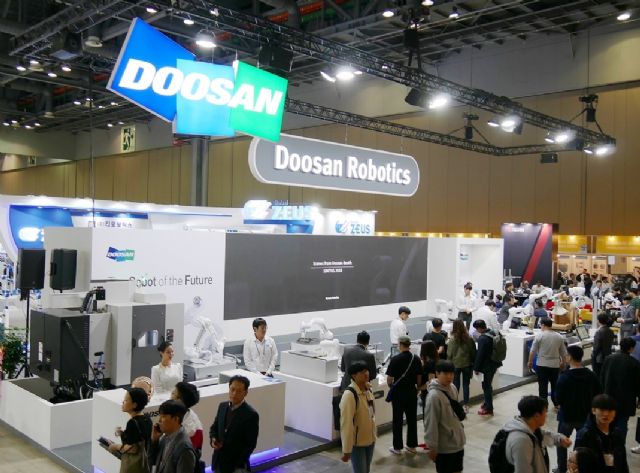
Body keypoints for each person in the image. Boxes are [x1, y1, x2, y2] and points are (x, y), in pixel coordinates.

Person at [554, 345, 602, 473]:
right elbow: (598, 394)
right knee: (582, 444)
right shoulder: (591, 375)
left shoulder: (564, 377)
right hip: (585, 416)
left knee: (561, 442)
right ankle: (578, 467)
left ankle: (562, 468)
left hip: (566, 416)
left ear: (569, 357)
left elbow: (558, 398)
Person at [503, 395, 571, 473]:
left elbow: (542, 436)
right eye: (545, 413)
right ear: (537, 416)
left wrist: (559, 439)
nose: (546, 416)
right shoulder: (522, 441)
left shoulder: (528, 428)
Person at [209, 375, 259, 473]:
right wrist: (213, 439)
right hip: (218, 462)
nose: (234, 393)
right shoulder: (222, 406)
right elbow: (214, 427)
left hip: (236, 467)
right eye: (232, 389)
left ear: (245, 393)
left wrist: (238, 463)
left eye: (239, 391)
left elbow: (250, 444)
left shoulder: (251, 414)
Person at [423, 360, 466, 473]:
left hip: (458, 443)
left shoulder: (453, 388)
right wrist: (432, 447)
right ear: (437, 373)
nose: (449, 377)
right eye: (446, 373)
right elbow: (431, 423)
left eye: (451, 373)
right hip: (445, 448)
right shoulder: (434, 397)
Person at [386, 335, 422, 455]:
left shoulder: (395, 359)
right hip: (411, 392)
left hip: (398, 393)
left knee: (397, 420)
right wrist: (417, 389)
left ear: (400, 345)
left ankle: (397, 447)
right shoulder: (416, 358)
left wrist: (391, 387)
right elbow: (419, 376)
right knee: (412, 419)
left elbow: (389, 379)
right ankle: (412, 445)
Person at [575, 394, 629, 473]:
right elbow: (578, 464)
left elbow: (623, 462)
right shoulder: (584, 435)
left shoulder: (617, 434)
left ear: (615, 413)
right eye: (602, 410)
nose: (606, 414)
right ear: (593, 410)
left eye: (610, 410)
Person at [600, 337, 640, 443]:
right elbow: (638, 384)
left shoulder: (608, 359)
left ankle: (608, 444)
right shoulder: (634, 363)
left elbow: (602, 377)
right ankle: (619, 446)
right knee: (622, 424)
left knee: (608, 422)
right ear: (631, 348)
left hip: (608, 397)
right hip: (626, 400)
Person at [339, 361, 376, 473]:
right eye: (362, 372)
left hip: (370, 440)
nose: (366, 374)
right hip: (357, 444)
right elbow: (346, 424)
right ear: (354, 375)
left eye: (367, 371)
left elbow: (372, 415)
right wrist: (346, 449)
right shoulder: (349, 395)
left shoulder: (368, 390)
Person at [107, 387, 153, 473]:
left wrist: (115, 446)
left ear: (134, 405)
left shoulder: (132, 422)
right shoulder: (147, 418)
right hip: (144, 464)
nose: (123, 402)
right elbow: (138, 439)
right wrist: (122, 434)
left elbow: (133, 448)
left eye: (126, 400)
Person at [527, 318, 567, 408]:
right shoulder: (559, 336)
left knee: (542, 386)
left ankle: (544, 406)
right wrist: (563, 363)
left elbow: (532, 351)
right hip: (555, 365)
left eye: (541, 325)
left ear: (543, 325)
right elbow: (563, 353)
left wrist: (530, 362)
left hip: (542, 365)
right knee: (555, 385)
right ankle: (556, 403)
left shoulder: (539, 336)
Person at [149, 400, 197, 473]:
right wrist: (154, 440)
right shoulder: (165, 437)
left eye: (163, 416)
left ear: (176, 419)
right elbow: (152, 462)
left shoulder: (184, 448)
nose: (159, 420)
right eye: (160, 416)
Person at [472, 319, 501, 416]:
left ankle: (489, 408)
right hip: (495, 363)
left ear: (479, 328)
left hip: (486, 366)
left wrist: (476, 368)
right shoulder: (494, 332)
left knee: (486, 386)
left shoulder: (482, 338)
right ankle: (486, 403)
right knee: (488, 385)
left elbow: (480, 355)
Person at [447, 319, 476, 411]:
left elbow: (449, 354)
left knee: (455, 385)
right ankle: (466, 405)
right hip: (467, 364)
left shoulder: (452, 340)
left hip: (455, 365)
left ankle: (455, 405)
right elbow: (473, 352)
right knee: (466, 385)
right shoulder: (469, 338)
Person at [171, 382, 203, 449]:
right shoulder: (179, 413)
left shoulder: (190, 430)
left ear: (179, 400)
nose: (170, 396)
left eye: (173, 393)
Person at [591, 312, 615, 377]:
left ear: (599, 321)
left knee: (598, 375)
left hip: (599, 358)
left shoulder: (599, 332)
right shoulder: (610, 331)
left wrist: (593, 355)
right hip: (608, 355)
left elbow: (596, 347)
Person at [418, 340, 439, 411]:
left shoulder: (430, 363)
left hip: (428, 394)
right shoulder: (434, 361)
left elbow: (430, 381)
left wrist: (419, 388)